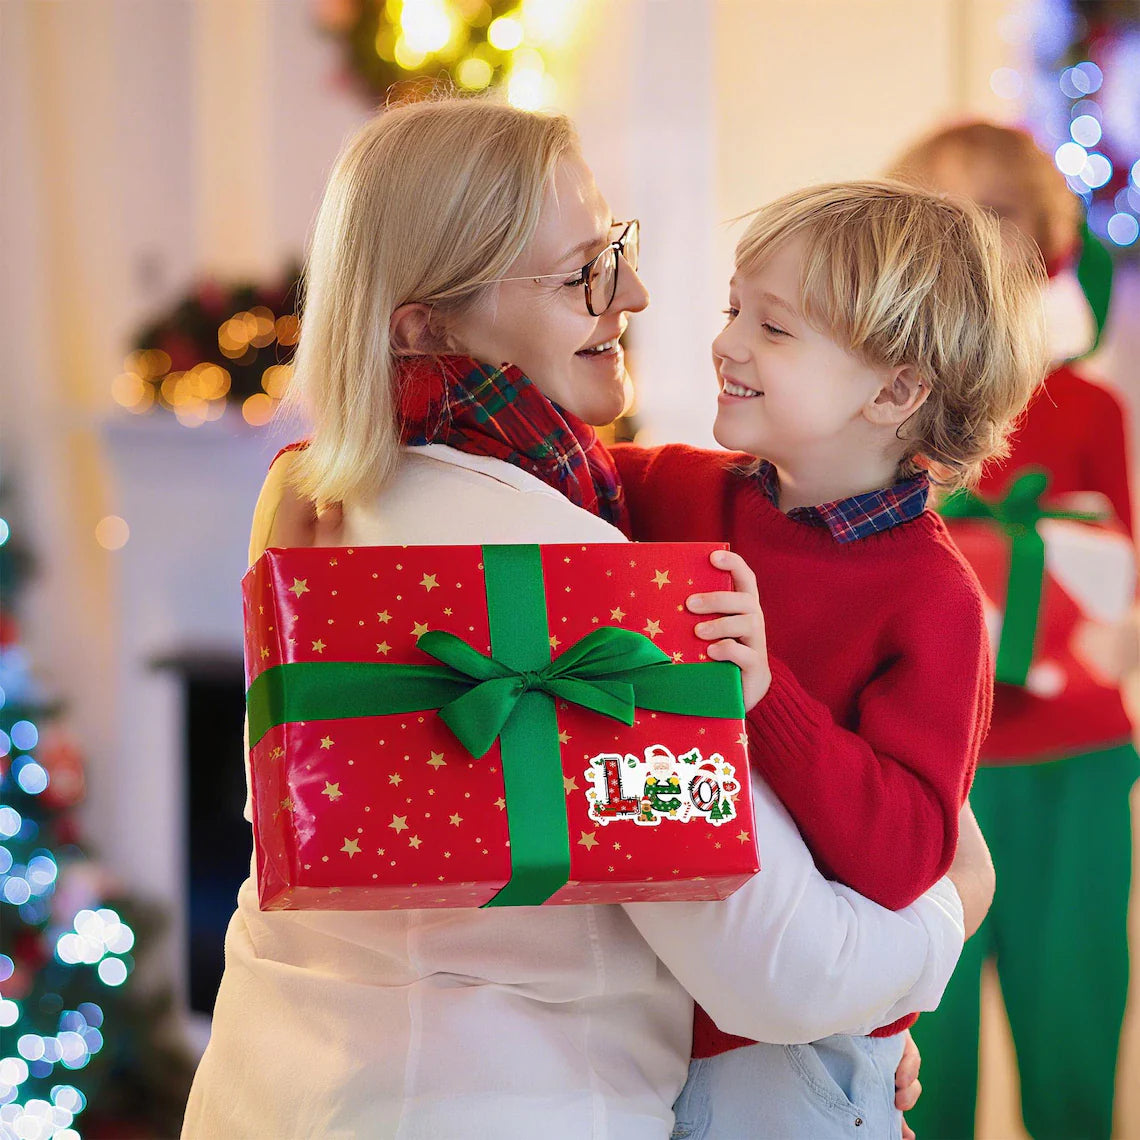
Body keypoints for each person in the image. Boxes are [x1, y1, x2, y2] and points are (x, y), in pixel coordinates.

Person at [181, 97, 993, 1140]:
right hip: (500, 1109)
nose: (640, 295)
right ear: (426, 326)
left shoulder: (318, 493)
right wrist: (952, 899)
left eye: (618, 250)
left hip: (279, 1086)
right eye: (584, 275)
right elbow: (784, 975)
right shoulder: (554, 570)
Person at [612, 181, 1047, 1139]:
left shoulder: (931, 600)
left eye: (773, 328)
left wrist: (768, 699)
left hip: (801, 1056)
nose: (726, 342)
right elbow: (532, 467)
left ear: (894, 393)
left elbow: (905, 860)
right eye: (735, 310)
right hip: (665, 1024)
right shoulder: (689, 494)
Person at [887, 120, 1140, 1140]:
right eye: (953, 220)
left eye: (1001, 217)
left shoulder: (1084, 404)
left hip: (1075, 757)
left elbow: (1115, 566)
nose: (981, 244)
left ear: (1046, 242)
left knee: (1073, 1010)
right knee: (922, 1029)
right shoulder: (891, 399)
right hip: (934, 762)